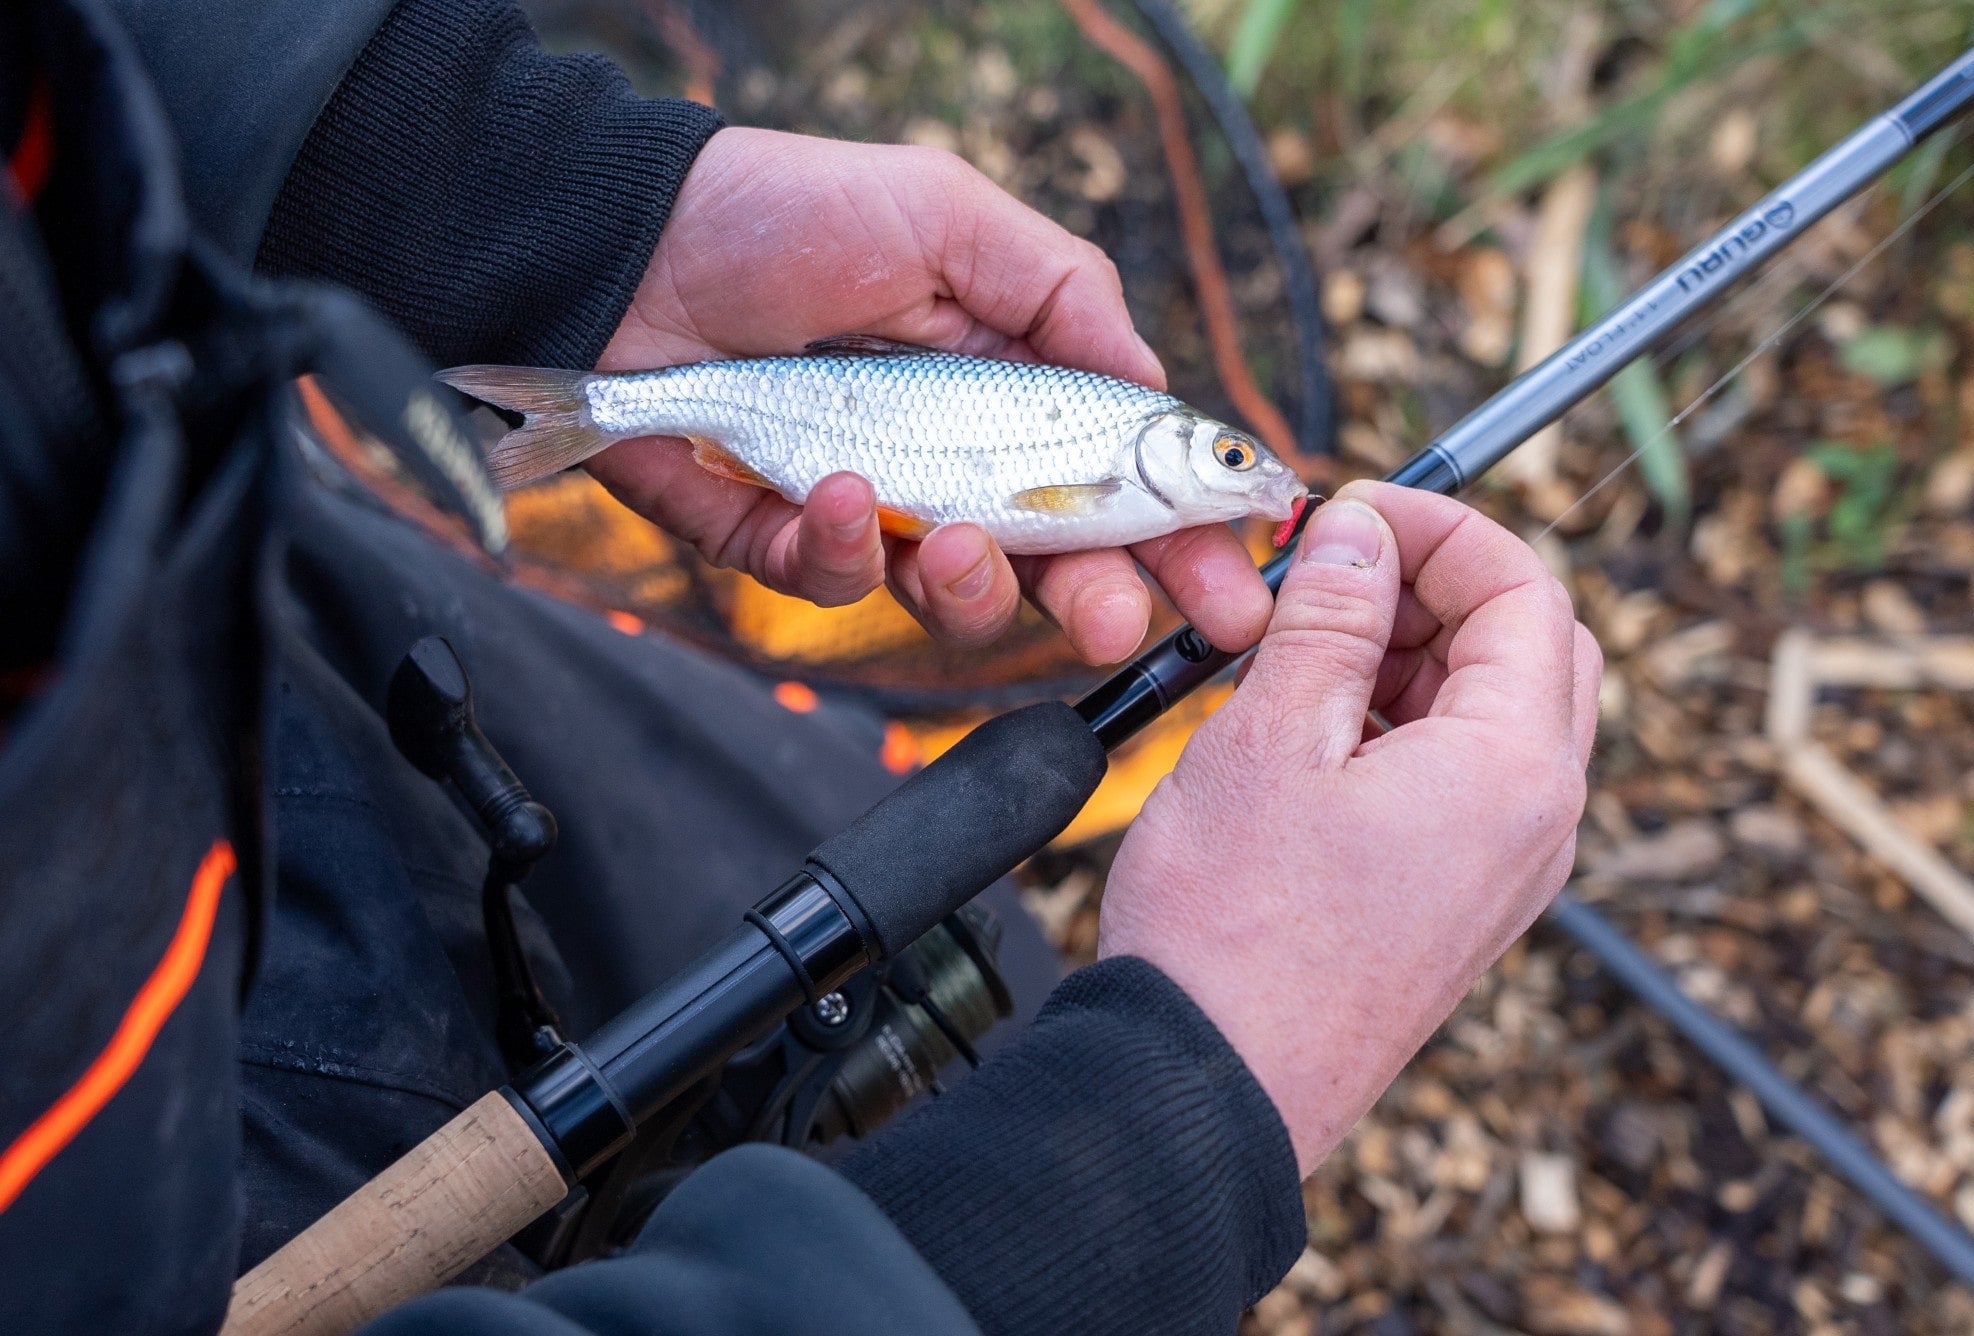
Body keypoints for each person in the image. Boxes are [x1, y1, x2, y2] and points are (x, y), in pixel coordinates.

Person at [0, 1, 1600, 1333]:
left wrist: (567, 211)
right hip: (137, 1032)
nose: (1246, 477)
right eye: (1229, 458)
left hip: (134, 619)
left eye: (1239, 465)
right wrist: (1178, 1105)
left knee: (935, 925)